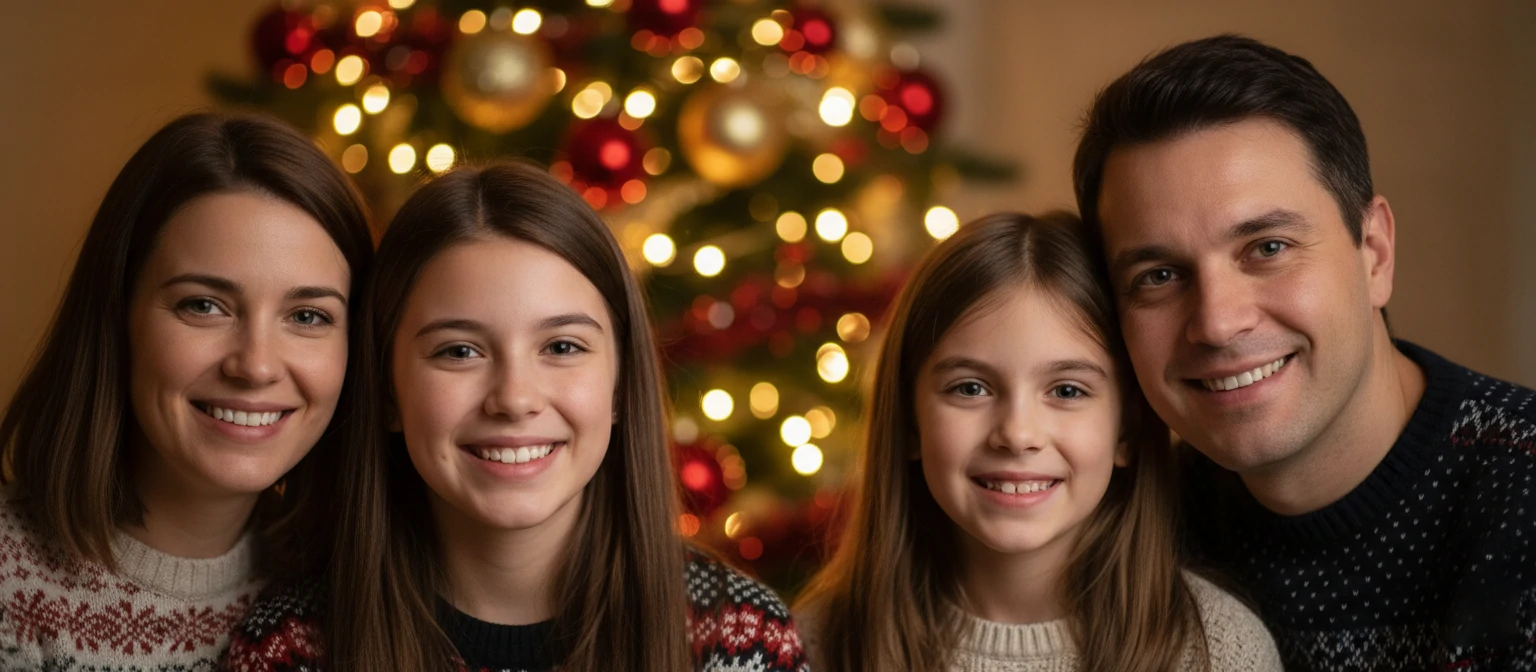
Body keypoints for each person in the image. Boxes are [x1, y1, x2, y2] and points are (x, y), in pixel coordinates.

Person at [223, 162, 809, 672]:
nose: (514, 398)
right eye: (459, 351)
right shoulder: (294, 648)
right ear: (388, 392)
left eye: (561, 348)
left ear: (621, 384)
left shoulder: (738, 639)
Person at [1073, 34, 1536, 670]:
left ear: (1373, 253)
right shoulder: (1125, 535)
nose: (1216, 322)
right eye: (1158, 275)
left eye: (1267, 247)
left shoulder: (1523, 500)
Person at [794, 211, 1279, 671]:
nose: (1018, 434)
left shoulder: (1218, 652)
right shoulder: (813, 643)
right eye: (970, 388)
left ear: (1126, 430)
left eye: (1067, 390)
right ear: (909, 422)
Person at [0, 112, 373, 668]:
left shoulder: (356, 596)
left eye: (308, 315)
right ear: (117, 316)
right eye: (204, 305)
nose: (256, 365)